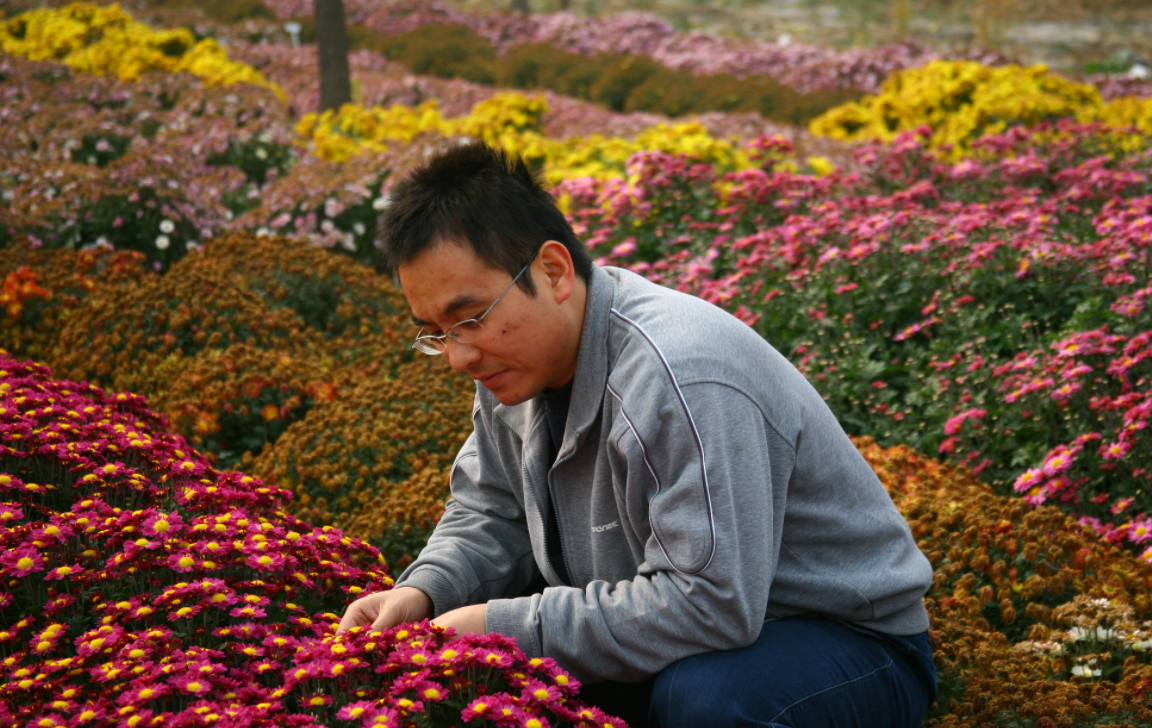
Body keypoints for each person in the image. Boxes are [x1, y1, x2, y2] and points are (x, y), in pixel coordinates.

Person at [336, 141, 938, 728]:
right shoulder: (513, 364)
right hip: (688, 628)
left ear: (553, 271)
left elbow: (711, 604)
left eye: (469, 319)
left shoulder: (681, 374)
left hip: (841, 639)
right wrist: (426, 594)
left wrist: (503, 626)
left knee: (703, 704)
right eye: (435, 332)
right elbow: (491, 511)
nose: (458, 356)